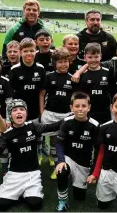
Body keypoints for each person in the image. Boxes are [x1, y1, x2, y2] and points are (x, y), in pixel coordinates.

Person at [0, 99, 62, 212]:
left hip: (32, 174)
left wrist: (70, 117)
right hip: (14, 174)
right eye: (15, 110)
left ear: (26, 113)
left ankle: (26, 193)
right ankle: (20, 192)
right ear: (10, 115)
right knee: (1, 204)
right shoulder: (7, 134)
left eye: (22, 109)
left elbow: (54, 126)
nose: (19, 112)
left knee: (35, 204)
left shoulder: (33, 126)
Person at [54, 92, 100, 212]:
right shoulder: (66, 122)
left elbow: (99, 150)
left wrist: (94, 172)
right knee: (62, 171)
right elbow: (58, 142)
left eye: (83, 106)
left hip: (84, 163)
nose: (80, 109)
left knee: (80, 197)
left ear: (89, 107)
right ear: (71, 107)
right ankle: (63, 201)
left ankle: (72, 181)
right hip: (68, 158)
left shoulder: (94, 126)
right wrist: (61, 161)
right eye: (77, 106)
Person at [39, 48, 76, 179]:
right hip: (50, 113)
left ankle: (57, 165)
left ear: (69, 62)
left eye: (66, 61)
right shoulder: (49, 76)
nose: (64, 64)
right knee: (50, 138)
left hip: (65, 115)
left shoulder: (73, 78)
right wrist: (42, 111)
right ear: (55, 63)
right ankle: (49, 156)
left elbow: (75, 98)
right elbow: (42, 94)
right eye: (60, 62)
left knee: (58, 140)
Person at [79, 43, 111, 124]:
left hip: (105, 113)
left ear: (101, 56)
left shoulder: (108, 73)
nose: (93, 60)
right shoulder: (82, 75)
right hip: (88, 112)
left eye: (96, 57)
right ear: (85, 58)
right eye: (90, 57)